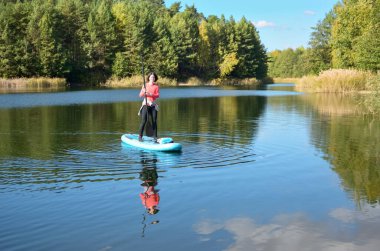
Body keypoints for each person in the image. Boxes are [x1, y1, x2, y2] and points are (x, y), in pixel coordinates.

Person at [138, 72, 160, 142]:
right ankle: (140, 136)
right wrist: (144, 92)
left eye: (153, 77)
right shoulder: (145, 85)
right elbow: (140, 95)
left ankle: (155, 137)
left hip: (153, 105)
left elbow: (157, 95)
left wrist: (150, 94)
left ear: (155, 78)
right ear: (148, 78)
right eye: (151, 77)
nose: (152, 78)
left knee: (154, 121)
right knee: (144, 121)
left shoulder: (156, 86)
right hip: (145, 104)